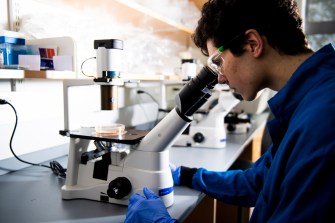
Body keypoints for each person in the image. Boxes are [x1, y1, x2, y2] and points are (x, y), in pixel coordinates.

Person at [125, 0, 335, 222]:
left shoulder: (324, 119)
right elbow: (259, 182)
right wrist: (186, 175)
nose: (221, 77)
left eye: (219, 61)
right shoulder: (308, 99)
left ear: (252, 44)